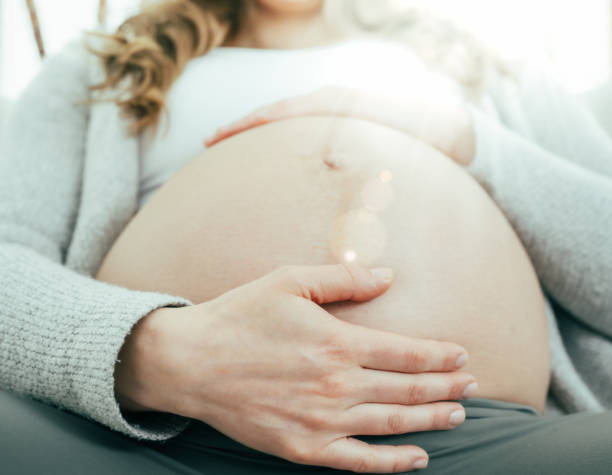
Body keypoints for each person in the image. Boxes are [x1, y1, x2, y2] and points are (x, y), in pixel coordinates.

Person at [0, 1, 610, 474]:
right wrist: (159, 353)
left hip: (493, 439)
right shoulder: (102, 63)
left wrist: (468, 140)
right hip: (158, 440)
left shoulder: (485, 64)